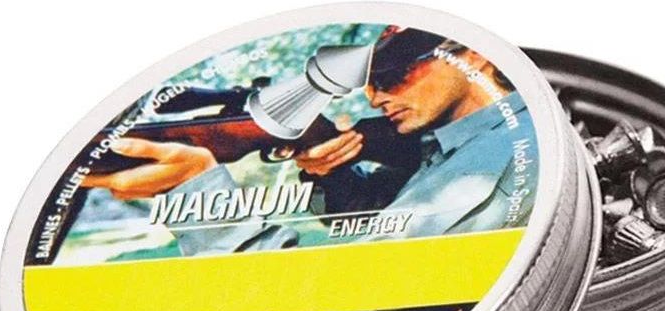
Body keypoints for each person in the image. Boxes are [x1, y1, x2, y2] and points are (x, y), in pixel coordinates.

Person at [83, 27, 537, 255]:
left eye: (393, 74)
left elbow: (334, 299)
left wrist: (196, 189)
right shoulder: (455, 148)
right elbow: (374, 219)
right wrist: (331, 169)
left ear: (473, 55)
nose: (374, 97)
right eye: (368, 82)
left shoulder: (493, 165)